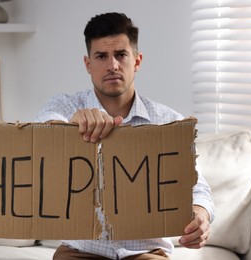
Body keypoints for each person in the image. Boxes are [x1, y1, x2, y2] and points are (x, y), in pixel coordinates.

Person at [36, 12, 214, 260]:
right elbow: (42, 127)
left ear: (137, 61)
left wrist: (200, 215)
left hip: (145, 250)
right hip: (80, 251)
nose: (112, 65)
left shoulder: (169, 121)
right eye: (101, 56)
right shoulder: (66, 106)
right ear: (88, 64)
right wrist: (66, 126)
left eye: (120, 55)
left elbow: (197, 187)